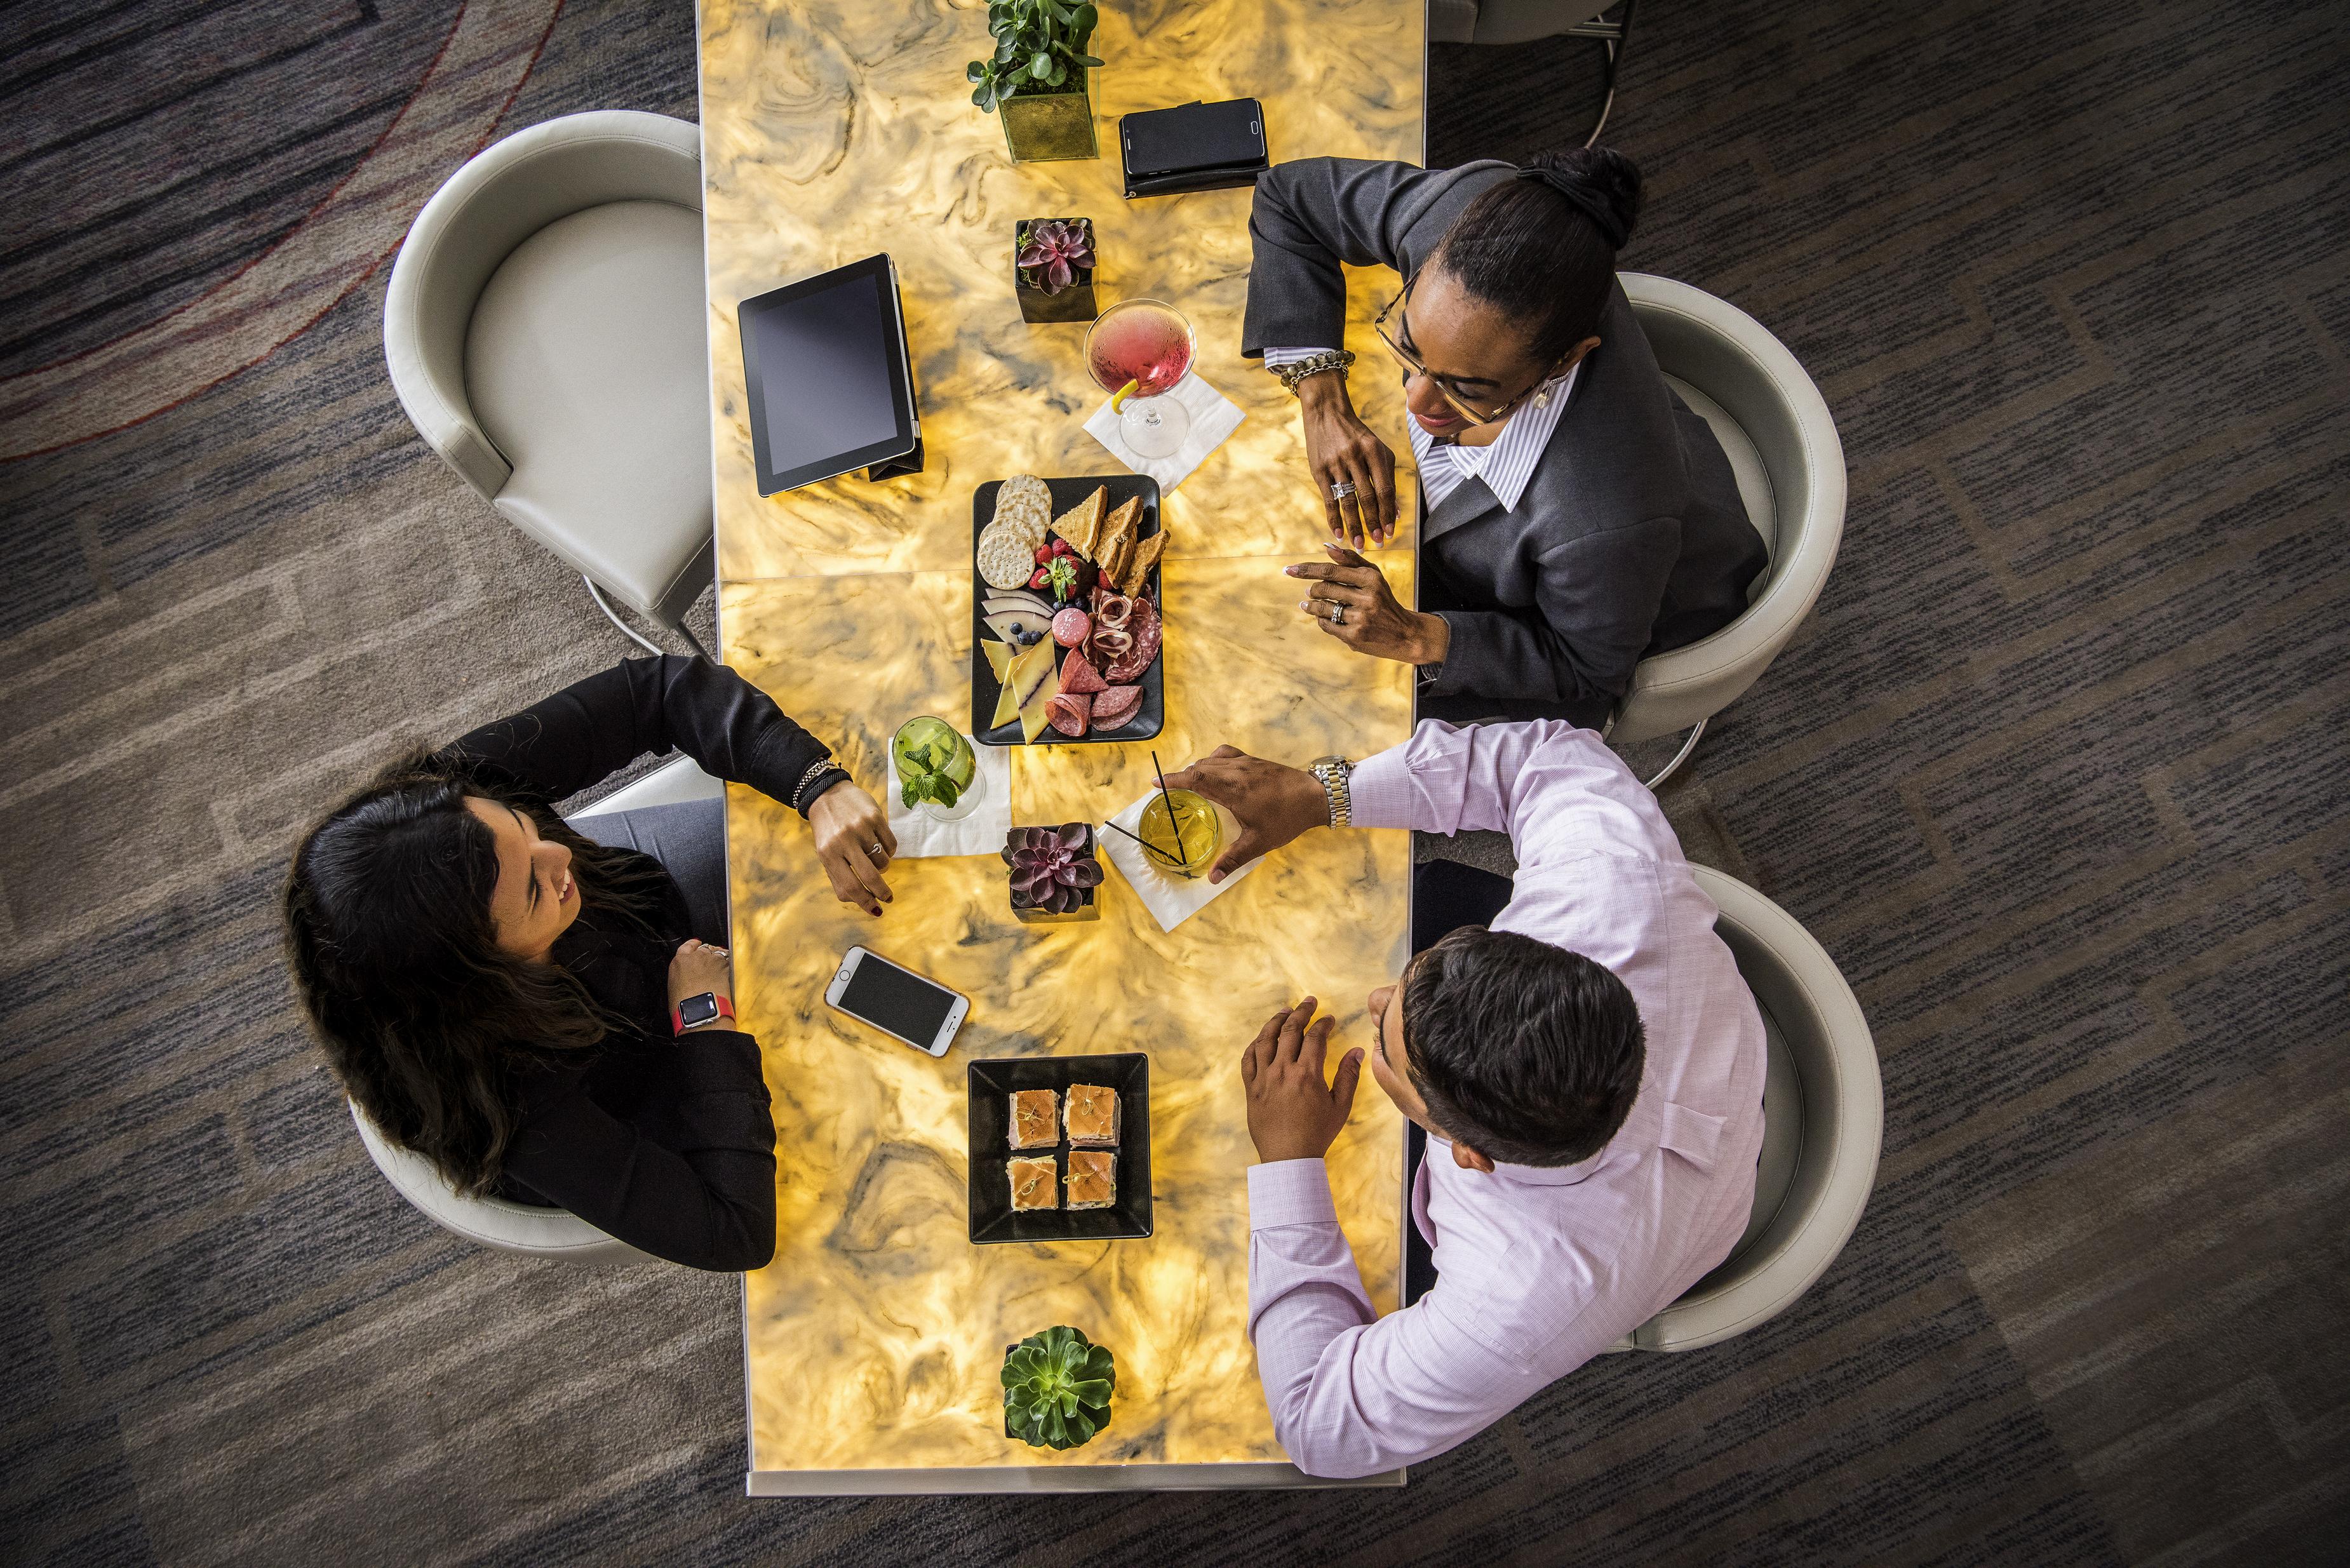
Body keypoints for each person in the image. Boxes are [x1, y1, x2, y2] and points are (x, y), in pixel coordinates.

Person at [1162, 719, 1767, 1477]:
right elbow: (1549, 756)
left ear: (1464, 1152)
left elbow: (1321, 1431)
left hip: (1642, 1233)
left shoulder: (1523, 1294)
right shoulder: (1611, 890)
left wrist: (1288, 1163)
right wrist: (1322, 794)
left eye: (1385, 1042)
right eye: (1411, 984)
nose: (1378, 999)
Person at [283, 655, 897, 1271]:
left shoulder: (447, 815)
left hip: (638, 907)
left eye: (525, 828)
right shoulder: (513, 1105)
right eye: (531, 886)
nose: (562, 853)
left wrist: (816, 788)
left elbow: (657, 691)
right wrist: (704, 1017)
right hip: (649, 1074)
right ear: (478, 975)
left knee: (882, 852)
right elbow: (734, 1229)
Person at [1244, 147, 1768, 729]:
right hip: (1557, 543)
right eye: (1411, 349)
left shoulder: (1602, 522)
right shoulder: (1471, 220)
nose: (1415, 403)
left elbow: (1588, 673)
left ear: (1566, 361)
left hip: (1613, 605)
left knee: (1315, 718)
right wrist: (1322, 402)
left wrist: (1419, 635)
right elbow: (1287, 198)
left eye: (1465, 388)